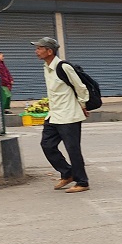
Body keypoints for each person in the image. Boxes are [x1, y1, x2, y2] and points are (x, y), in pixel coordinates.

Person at [32, 37, 91, 193]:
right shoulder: (46, 67)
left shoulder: (63, 67)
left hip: (69, 114)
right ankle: (67, 173)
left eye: (39, 48)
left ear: (49, 51)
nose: (36, 51)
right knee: (47, 145)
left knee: (73, 149)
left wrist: (83, 105)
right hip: (54, 114)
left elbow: (80, 87)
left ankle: (82, 182)